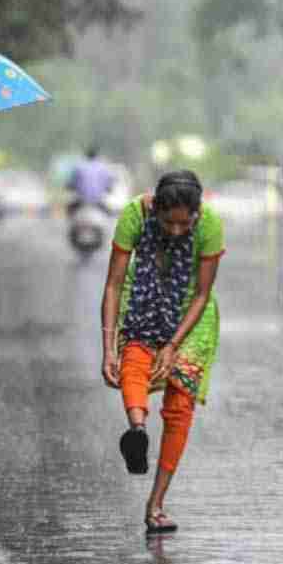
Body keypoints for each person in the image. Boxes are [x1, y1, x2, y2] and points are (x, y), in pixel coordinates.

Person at [99, 170, 224, 535]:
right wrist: (108, 347)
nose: (175, 231)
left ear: (197, 214)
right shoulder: (133, 216)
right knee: (133, 362)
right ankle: (137, 431)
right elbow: (114, 284)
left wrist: (172, 346)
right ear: (155, 209)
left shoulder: (211, 225)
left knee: (180, 405)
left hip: (192, 316)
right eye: (168, 222)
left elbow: (201, 293)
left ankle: (156, 504)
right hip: (144, 301)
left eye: (184, 224)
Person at [69, 146, 116, 215]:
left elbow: (72, 183)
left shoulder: (79, 167)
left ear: (86, 155)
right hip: (98, 201)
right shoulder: (103, 167)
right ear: (96, 155)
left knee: (70, 211)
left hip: (82, 201)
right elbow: (109, 183)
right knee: (110, 215)